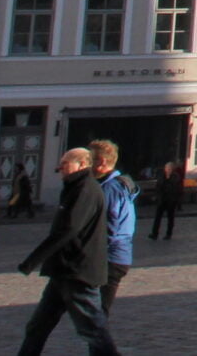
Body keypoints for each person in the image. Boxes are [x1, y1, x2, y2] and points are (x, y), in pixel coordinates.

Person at [14, 146, 121, 356]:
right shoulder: (75, 187)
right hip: (63, 271)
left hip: (78, 272)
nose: (60, 168)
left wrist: (33, 260)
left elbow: (69, 229)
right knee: (38, 326)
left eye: (65, 163)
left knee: (93, 329)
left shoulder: (85, 189)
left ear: (82, 164)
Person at [90, 143, 135, 314]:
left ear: (101, 162)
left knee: (98, 313)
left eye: (90, 160)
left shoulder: (109, 189)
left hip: (111, 257)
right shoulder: (120, 184)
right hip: (120, 255)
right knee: (98, 311)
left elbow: (110, 226)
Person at [148, 157, 180, 240]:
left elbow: (175, 188)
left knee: (170, 218)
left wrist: (176, 201)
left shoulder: (175, 177)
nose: (167, 169)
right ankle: (154, 233)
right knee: (157, 217)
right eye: (166, 168)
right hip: (162, 200)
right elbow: (158, 186)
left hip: (171, 200)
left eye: (169, 168)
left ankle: (168, 234)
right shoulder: (161, 176)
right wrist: (156, 195)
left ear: (172, 169)